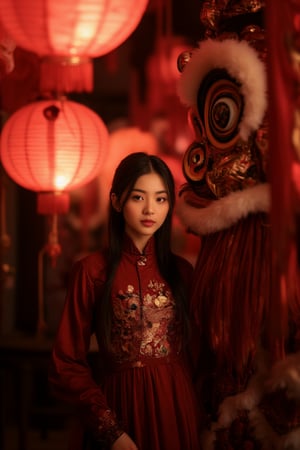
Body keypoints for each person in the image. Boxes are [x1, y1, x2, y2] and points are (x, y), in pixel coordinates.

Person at [48, 152, 201, 450]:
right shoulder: (92, 271)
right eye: (138, 197)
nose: (150, 209)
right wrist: (108, 428)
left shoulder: (183, 272)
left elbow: (199, 353)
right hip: (120, 406)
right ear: (117, 202)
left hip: (176, 407)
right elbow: (66, 362)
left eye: (160, 199)